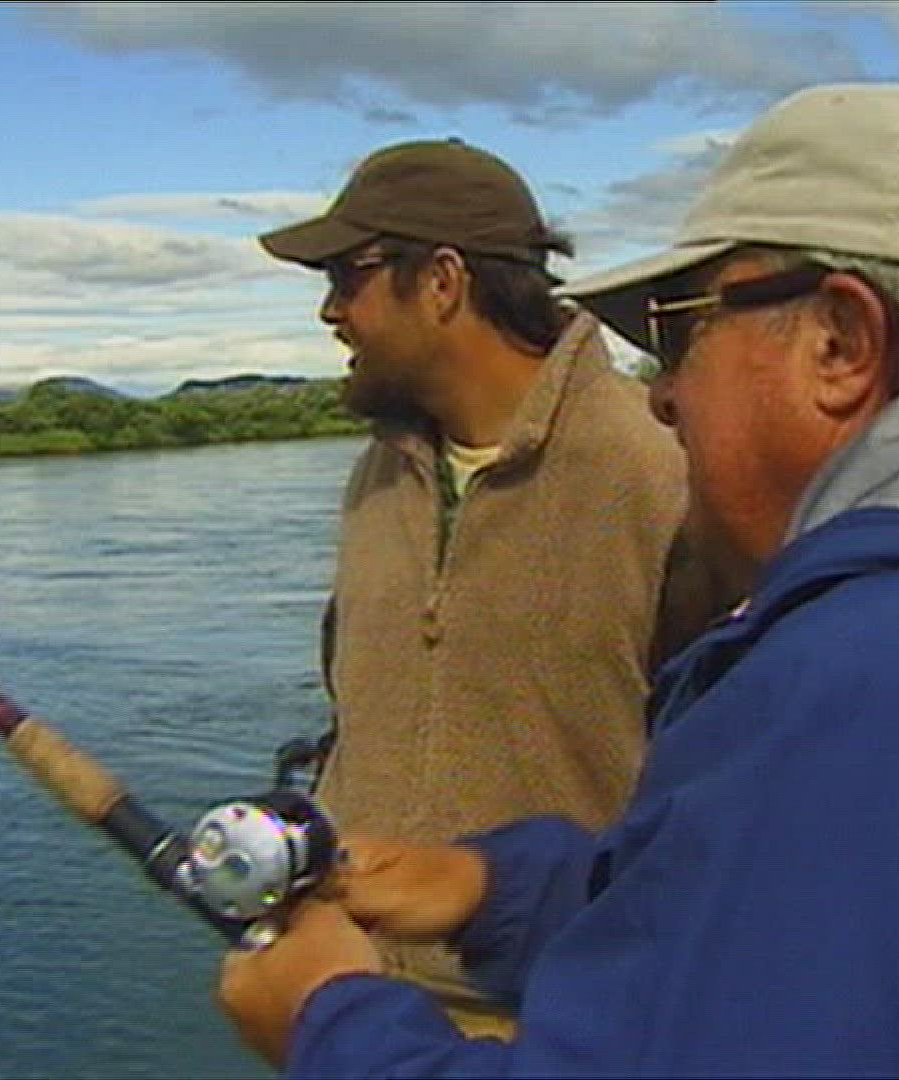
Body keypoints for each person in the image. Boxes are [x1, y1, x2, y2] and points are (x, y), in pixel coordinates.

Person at [219, 84, 899, 1077]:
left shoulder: (879, 671)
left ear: (840, 344)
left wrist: (329, 1026)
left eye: (680, 329)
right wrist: (498, 889)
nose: (663, 394)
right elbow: (786, 919)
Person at [253, 138, 736, 1035]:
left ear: (442, 281)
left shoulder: (659, 476)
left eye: (348, 276)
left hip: (572, 1020)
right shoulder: (377, 478)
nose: (329, 310)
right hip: (359, 1001)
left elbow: (723, 801)